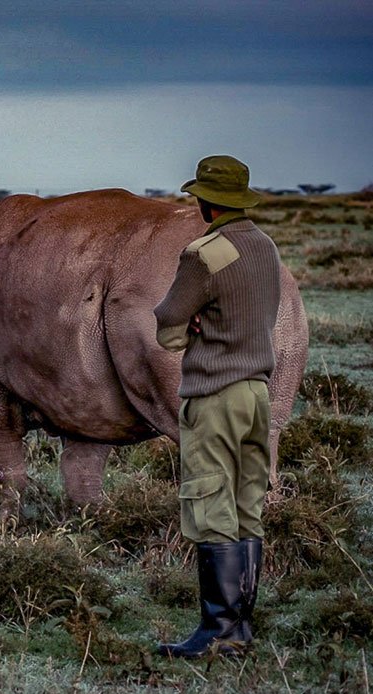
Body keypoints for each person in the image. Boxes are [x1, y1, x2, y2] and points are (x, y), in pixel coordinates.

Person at [153, 155, 281, 659]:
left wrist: (195, 328)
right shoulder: (266, 247)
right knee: (248, 506)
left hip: (215, 395)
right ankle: (240, 627)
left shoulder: (204, 253)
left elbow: (167, 328)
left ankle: (217, 632)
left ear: (206, 202)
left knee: (211, 506)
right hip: (257, 393)